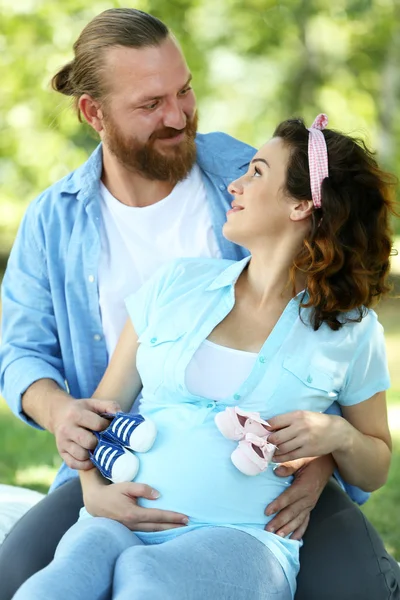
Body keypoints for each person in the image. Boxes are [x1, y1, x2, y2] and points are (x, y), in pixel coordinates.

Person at [0, 7, 399, 600]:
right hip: (121, 468)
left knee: (358, 590)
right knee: (18, 576)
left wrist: (326, 455)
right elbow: (22, 354)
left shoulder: (243, 174)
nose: (178, 114)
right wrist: (71, 429)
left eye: (184, 91)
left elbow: (317, 225)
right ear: (94, 113)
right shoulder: (60, 222)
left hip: (264, 499)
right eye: (150, 103)